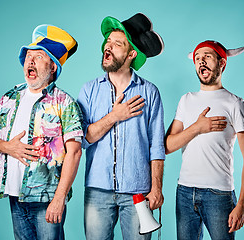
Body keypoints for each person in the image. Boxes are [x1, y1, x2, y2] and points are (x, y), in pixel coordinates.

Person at [0, 24, 83, 240]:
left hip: (46, 198)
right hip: (15, 195)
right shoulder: (11, 96)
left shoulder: (65, 102)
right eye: (28, 56)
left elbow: (74, 152)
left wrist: (59, 198)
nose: (30, 60)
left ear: (53, 67)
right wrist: (8, 147)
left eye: (38, 56)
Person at [77, 13, 165, 240]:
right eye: (108, 42)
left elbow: (157, 146)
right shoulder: (89, 90)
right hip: (97, 189)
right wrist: (114, 116)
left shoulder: (150, 92)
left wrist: (156, 188)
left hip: (138, 191)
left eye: (117, 44)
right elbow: (84, 138)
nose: (108, 47)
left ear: (131, 54)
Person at [165, 40, 244, 240]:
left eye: (207, 56)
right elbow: (167, 146)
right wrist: (197, 127)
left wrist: (241, 204)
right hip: (185, 193)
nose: (201, 62)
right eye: (197, 58)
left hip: (219, 195)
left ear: (222, 63)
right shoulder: (186, 100)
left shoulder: (235, 103)